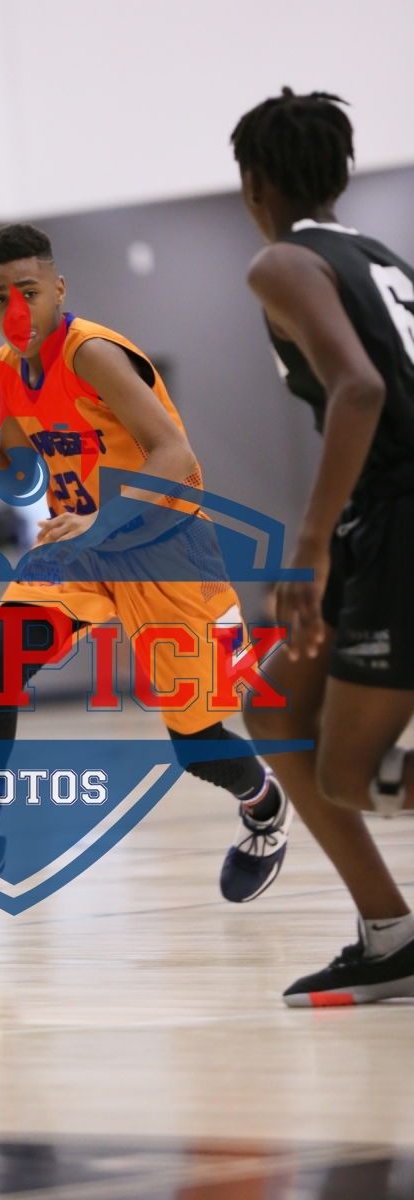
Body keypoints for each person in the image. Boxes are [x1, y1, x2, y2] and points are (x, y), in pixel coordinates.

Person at [0, 223, 293, 908]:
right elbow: (14, 468)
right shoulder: (9, 365)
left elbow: (174, 454)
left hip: (166, 549)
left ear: (58, 288)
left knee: (195, 744)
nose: (15, 308)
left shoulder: (91, 353)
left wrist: (103, 518)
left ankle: (264, 804)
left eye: (27, 290)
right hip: (81, 548)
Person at [231, 88, 414, 1004]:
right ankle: (392, 936)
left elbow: (360, 389)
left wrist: (307, 547)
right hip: (377, 515)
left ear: (253, 184)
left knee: (345, 771)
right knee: (271, 706)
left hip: (397, 511)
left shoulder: (282, 262)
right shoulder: (381, 258)